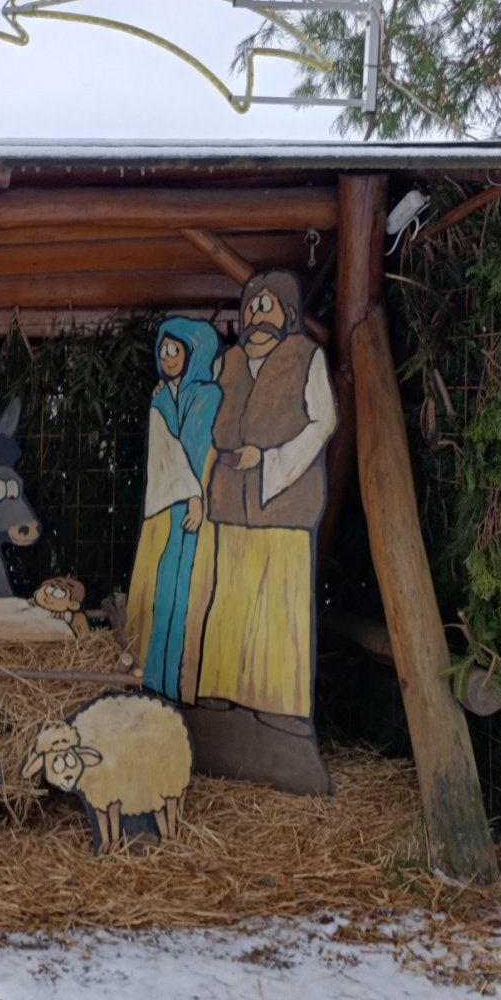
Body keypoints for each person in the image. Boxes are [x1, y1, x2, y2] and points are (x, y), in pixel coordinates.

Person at [200, 271, 337, 719]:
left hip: (283, 506)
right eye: (250, 308)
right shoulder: (228, 363)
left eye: (266, 306)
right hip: (228, 504)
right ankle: (221, 692)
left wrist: (270, 461)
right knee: (229, 599)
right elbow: (203, 411)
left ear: (288, 314)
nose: (255, 317)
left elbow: (323, 421)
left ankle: (279, 707)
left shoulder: (305, 358)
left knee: (279, 608)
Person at [125, 318, 223, 703]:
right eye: (163, 350)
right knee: (160, 585)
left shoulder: (208, 396)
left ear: (193, 352)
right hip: (167, 503)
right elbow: (163, 452)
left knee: (184, 589)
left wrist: (197, 497)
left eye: (174, 349)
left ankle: (179, 684)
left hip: (193, 505)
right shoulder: (162, 397)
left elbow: (198, 449)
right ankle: (152, 678)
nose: (167, 357)